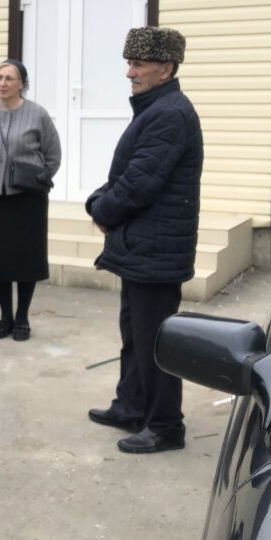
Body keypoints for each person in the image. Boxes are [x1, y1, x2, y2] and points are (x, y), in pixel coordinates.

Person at [85, 26, 203, 454]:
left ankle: (165, 426)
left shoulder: (170, 114)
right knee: (135, 335)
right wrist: (101, 200)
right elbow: (131, 172)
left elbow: (139, 184)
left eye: (137, 64)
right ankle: (132, 406)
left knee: (155, 341)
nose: (129, 73)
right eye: (129, 63)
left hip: (155, 251)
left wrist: (102, 210)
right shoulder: (157, 109)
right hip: (142, 248)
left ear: (165, 69)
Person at [0, 59, 61, 341]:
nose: (3, 83)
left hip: (28, 197)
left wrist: (38, 179)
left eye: (9, 78)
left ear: (22, 84)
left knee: (26, 257)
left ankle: (22, 317)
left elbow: (53, 154)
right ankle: (5, 316)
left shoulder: (38, 115)